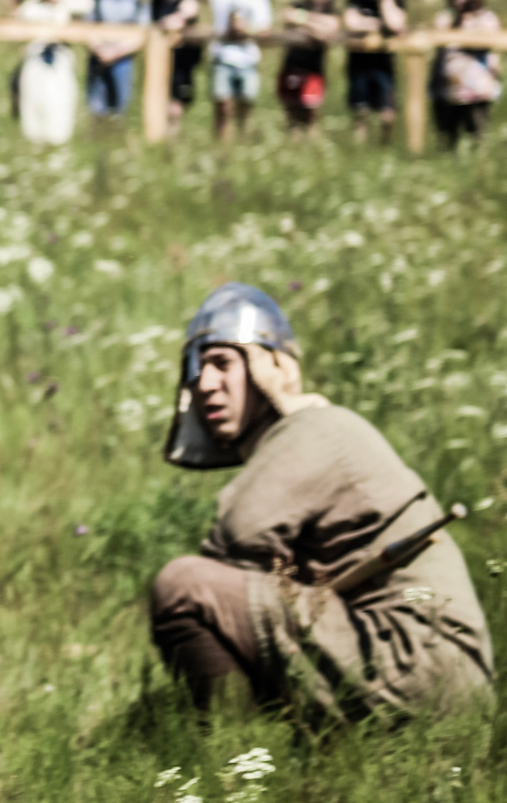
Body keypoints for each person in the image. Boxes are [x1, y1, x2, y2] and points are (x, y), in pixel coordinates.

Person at [148, 283, 492, 720]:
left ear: (268, 368)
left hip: (415, 657)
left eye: (222, 363)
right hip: (432, 672)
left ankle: (235, 748)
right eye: (197, 369)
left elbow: (233, 546)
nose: (204, 384)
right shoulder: (312, 433)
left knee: (184, 587)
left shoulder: (316, 428)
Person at [202, 0, 271, 144]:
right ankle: (222, 145)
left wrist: (246, 30)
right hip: (222, 57)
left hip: (248, 59)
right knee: (223, 107)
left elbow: (265, 31)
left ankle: (242, 143)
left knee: (245, 107)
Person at [14, 0, 79, 145]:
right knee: (33, 98)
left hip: (58, 62)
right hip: (35, 60)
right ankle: (34, 139)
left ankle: (58, 139)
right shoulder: (30, 8)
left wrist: (58, 6)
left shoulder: (67, 7)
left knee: (58, 100)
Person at [342, 0, 408, 145]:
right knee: (360, 110)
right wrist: (379, 24)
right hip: (358, 62)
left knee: (388, 111)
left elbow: (395, 24)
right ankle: (359, 148)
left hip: (384, 64)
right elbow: (351, 23)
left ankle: (385, 145)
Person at [434, 0, 501, 149]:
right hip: (449, 88)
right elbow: (438, 33)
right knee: (448, 133)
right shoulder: (447, 17)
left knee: (477, 131)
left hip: (477, 87)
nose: (460, 0)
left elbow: (493, 45)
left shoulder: (486, 18)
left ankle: (479, 157)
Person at [275, 0, 341, 136]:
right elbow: (288, 17)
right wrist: (317, 24)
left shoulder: (332, 10)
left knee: (311, 112)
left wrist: (304, 21)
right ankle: (295, 144)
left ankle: (310, 144)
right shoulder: (298, 4)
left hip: (314, 68)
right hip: (291, 65)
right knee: (291, 111)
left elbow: (327, 32)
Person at [83, 0, 147, 122]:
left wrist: (116, 52)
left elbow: (141, 36)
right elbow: (87, 29)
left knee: (119, 113)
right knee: (96, 112)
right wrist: (99, 49)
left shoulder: (139, 4)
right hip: (98, 59)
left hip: (123, 61)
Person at [149, 0, 201, 136]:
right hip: (161, 56)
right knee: (160, 98)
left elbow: (189, 10)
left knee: (176, 104)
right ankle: (162, 137)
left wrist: (171, 21)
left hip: (183, 58)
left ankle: (170, 138)